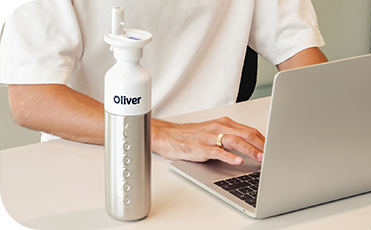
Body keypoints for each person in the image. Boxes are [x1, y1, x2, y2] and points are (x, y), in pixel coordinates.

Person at [0, 1, 328, 165]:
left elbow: (301, 58)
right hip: (95, 156)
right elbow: (31, 99)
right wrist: (159, 133)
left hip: (214, 161)